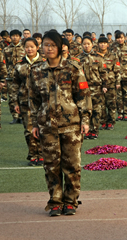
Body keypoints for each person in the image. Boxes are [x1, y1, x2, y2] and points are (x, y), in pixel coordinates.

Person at [28, 30, 91, 217]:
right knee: (51, 166)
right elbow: (33, 100)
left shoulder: (73, 68)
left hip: (71, 125)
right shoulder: (36, 71)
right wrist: (33, 124)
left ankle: (70, 201)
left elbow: (83, 96)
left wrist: (85, 120)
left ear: (60, 47)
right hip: (47, 126)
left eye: (52, 45)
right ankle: (55, 201)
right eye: (46, 45)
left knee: (72, 165)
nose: (49, 48)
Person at [10, 37, 43, 165]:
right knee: (29, 130)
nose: (29, 49)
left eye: (32, 47)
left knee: (42, 128)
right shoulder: (19, 65)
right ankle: (33, 155)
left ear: (37, 47)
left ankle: (42, 154)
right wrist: (15, 103)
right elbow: (14, 85)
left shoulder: (44, 63)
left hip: (42, 103)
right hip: (25, 102)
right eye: (27, 47)